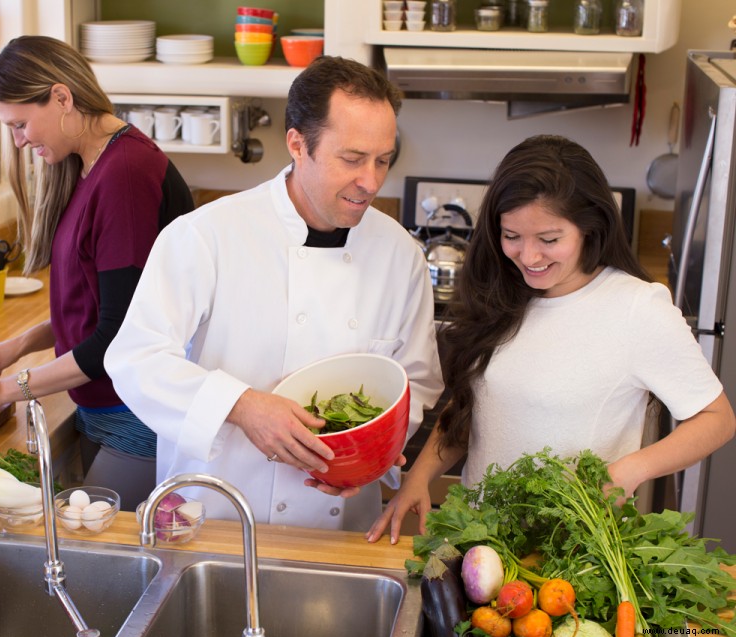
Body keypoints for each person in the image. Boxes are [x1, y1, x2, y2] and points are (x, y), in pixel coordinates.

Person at [104, 55, 444, 531]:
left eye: (383, 160)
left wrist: (366, 459)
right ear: (297, 144)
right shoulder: (207, 236)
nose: (370, 181)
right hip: (216, 520)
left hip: (338, 530)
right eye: (351, 158)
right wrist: (242, 406)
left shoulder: (399, 254)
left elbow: (417, 382)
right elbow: (135, 359)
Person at [367, 134, 736, 543]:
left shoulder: (636, 308)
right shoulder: (503, 293)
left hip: (576, 555)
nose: (528, 257)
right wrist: (419, 476)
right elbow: (479, 404)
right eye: (512, 236)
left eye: (549, 239)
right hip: (479, 549)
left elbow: (716, 419)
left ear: (589, 228)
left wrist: (632, 469)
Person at [0, 36, 196, 510]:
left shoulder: (125, 175)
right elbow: (108, 304)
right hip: (101, 408)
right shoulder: (92, 164)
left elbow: (115, 339)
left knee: (90, 560)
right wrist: (15, 346)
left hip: (135, 416)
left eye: (20, 124)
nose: (19, 140)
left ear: (61, 97)